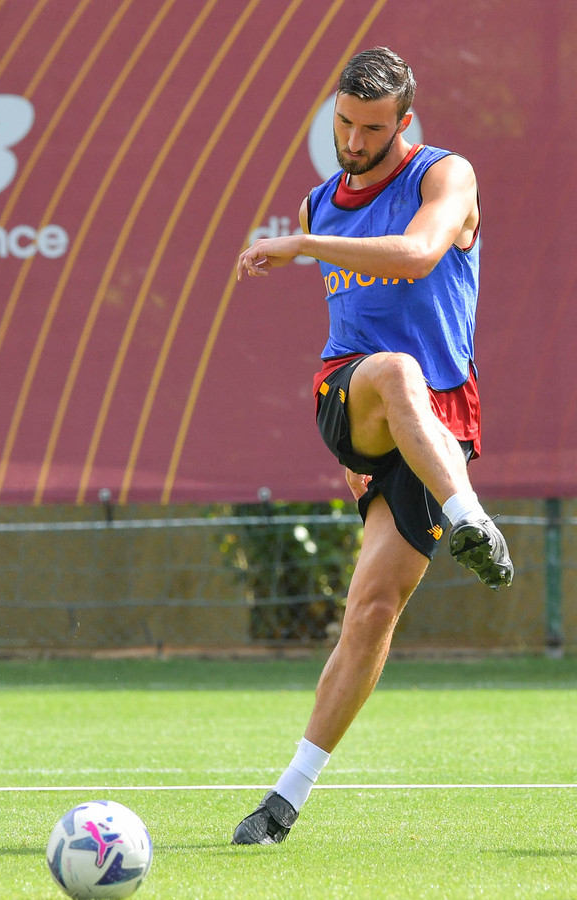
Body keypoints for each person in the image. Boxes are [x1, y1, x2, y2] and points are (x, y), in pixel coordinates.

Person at [232, 46, 513, 845]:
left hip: (437, 424)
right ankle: (473, 520)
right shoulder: (321, 202)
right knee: (392, 369)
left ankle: (282, 802)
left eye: (372, 129)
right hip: (354, 393)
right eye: (345, 124)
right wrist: (353, 454)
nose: (354, 142)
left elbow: (420, 255)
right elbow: (351, 328)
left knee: (373, 611)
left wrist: (304, 245)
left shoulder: (444, 176)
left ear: (404, 122)